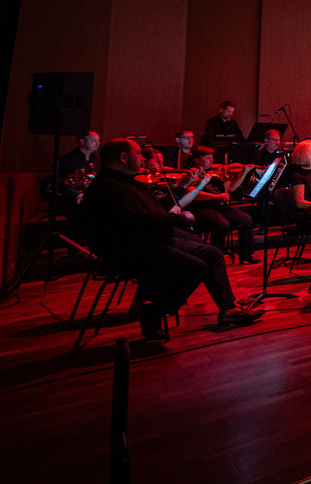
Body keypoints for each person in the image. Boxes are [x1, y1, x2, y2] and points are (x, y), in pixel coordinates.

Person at [80, 138, 263, 339]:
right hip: (131, 250)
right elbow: (139, 221)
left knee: (212, 253)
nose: (142, 159)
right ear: (123, 157)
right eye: (138, 154)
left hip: (150, 239)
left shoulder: (128, 182)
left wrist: (180, 188)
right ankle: (153, 312)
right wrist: (179, 218)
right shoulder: (108, 187)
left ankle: (228, 309)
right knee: (196, 267)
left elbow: (159, 209)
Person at [180, 146, 257, 264]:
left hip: (218, 206)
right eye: (208, 158)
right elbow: (191, 192)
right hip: (201, 207)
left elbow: (231, 188)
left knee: (246, 219)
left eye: (212, 158)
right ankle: (215, 256)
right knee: (222, 224)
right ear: (196, 159)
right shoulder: (191, 173)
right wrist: (215, 196)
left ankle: (246, 255)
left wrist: (244, 173)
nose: (212, 160)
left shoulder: (214, 173)